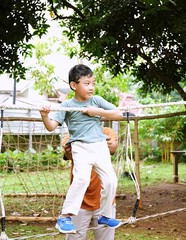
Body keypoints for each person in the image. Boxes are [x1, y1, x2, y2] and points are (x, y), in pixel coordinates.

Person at [40, 64, 123, 234]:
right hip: (80, 147)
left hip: (100, 145)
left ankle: (104, 215)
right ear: (74, 85)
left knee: (110, 181)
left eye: (93, 83)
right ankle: (64, 216)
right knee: (82, 180)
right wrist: (44, 116)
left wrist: (96, 112)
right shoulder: (66, 105)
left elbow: (119, 114)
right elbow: (51, 126)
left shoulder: (96, 101)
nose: (91, 87)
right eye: (86, 83)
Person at [62, 127, 118, 240]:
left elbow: (112, 147)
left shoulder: (107, 132)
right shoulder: (72, 134)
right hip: (79, 203)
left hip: (105, 203)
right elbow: (68, 154)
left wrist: (98, 142)